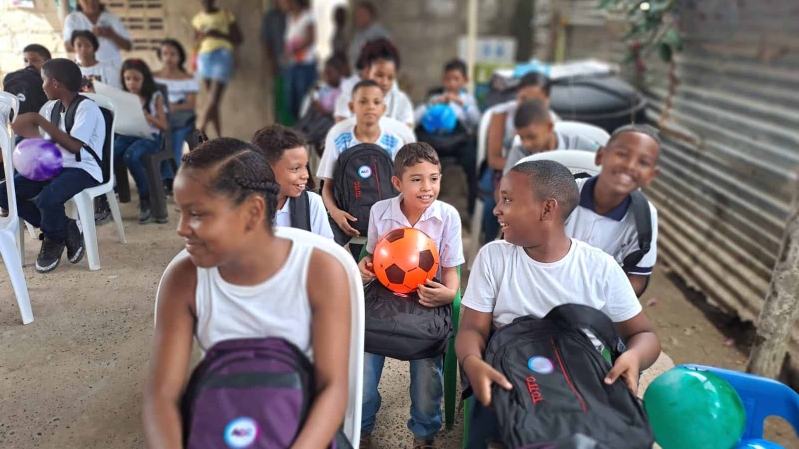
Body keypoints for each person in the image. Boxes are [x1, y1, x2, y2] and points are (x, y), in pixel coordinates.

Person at [142, 137, 351, 449]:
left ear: (253, 212)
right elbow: (161, 396)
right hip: (221, 420)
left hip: (301, 428)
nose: (182, 228)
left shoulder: (320, 272)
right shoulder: (184, 280)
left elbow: (332, 387)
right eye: (180, 212)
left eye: (197, 214)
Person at [455, 160, 661, 448]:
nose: (496, 209)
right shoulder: (494, 258)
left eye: (508, 199)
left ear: (548, 209)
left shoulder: (600, 267)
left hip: (575, 385)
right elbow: (472, 330)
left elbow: (644, 335)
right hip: (508, 377)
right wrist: (472, 362)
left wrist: (634, 357)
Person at [356, 142, 464, 449]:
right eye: (417, 179)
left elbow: (452, 270)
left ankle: (423, 433)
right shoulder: (381, 212)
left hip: (427, 298)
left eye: (434, 178)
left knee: (428, 372)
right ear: (398, 183)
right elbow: (374, 256)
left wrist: (449, 293)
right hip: (384, 294)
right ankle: (362, 426)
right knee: (362, 361)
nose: (427, 187)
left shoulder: (448, 216)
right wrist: (365, 268)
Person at [2, 59, 105, 273]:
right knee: (5, 193)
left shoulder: (87, 108)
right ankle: (64, 227)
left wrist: (39, 121)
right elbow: (50, 144)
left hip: (84, 168)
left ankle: (53, 239)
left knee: (48, 198)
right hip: (54, 164)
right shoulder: (52, 108)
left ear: (56, 83)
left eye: (43, 80)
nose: (42, 86)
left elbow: (75, 147)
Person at [564, 124, 661, 297]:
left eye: (643, 162)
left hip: (593, 300)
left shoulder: (644, 216)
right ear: (601, 155)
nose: (630, 166)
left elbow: (637, 276)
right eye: (622, 154)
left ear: (651, 176)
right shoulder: (562, 194)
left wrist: (610, 306)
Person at [317, 80, 405, 239]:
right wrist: (336, 213)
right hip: (345, 218)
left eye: (376, 102)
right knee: (325, 245)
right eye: (363, 101)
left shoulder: (395, 143)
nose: (370, 106)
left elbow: (403, 186)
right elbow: (327, 187)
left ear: (383, 108)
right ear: (352, 107)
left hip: (388, 222)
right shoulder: (339, 140)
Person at [480, 72, 559, 244]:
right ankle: (488, 242)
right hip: (503, 169)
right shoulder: (502, 114)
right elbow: (493, 159)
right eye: (523, 98)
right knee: (492, 202)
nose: (528, 104)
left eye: (535, 100)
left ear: (547, 99)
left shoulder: (554, 123)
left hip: (538, 178)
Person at [251, 125, 334, 239]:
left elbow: (327, 250)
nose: (305, 175)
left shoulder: (311, 203)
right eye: (295, 168)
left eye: (305, 166)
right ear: (265, 168)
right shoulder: (244, 207)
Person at [115, 59, 168, 224]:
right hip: (128, 134)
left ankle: (146, 199)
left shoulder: (154, 96)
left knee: (131, 156)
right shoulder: (123, 96)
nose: (132, 83)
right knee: (110, 153)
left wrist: (148, 116)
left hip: (150, 136)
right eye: (128, 79)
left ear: (144, 79)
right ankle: (105, 197)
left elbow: (164, 125)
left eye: (136, 79)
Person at [502, 99, 601, 174]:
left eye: (532, 137)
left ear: (549, 126)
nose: (526, 143)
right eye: (521, 137)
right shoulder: (520, 153)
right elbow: (504, 189)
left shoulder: (579, 145)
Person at [154, 39, 200, 195]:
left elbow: (191, 105)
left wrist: (174, 107)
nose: (168, 57)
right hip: (159, 115)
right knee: (156, 139)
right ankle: (160, 176)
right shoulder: (154, 77)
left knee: (173, 138)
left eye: (172, 54)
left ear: (179, 57)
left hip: (181, 118)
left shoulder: (187, 79)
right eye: (165, 54)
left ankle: (171, 178)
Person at [334, 38, 414, 128]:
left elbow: (407, 133)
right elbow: (341, 130)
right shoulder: (348, 92)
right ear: (366, 70)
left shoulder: (399, 98)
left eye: (390, 77)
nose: (385, 82)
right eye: (379, 75)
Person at [192, 0, 242, 137]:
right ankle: (218, 136)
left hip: (222, 55)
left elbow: (238, 38)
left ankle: (200, 126)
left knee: (213, 98)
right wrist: (201, 37)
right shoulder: (197, 19)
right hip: (204, 57)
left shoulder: (225, 15)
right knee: (213, 102)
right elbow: (195, 42)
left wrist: (218, 34)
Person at [414, 59, 480, 131]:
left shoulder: (468, 99)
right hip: (435, 138)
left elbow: (476, 121)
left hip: (460, 139)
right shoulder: (435, 97)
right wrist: (433, 103)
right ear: (443, 79)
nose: (451, 83)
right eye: (448, 79)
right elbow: (414, 118)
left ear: (465, 80)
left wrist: (462, 103)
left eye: (456, 79)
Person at [63, 0, 132, 68]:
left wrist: (111, 34)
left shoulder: (111, 18)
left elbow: (128, 46)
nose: (90, 1)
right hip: (86, 69)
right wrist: (87, 37)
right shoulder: (72, 19)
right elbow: (68, 47)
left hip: (113, 66)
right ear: (78, 1)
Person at [280, 0, 318, 123]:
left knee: (303, 101)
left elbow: (311, 39)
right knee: (291, 102)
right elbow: (289, 40)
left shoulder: (308, 17)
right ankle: (300, 127)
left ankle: (305, 129)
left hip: (305, 65)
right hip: (293, 64)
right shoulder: (290, 18)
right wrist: (287, 53)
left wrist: (295, 50)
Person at [260, 0, 290, 125]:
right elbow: (266, 42)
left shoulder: (295, 15)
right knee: (280, 97)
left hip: (297, 66)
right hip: (279, 65)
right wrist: (271, 62)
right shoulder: (271, 17)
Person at [347, 1, 389, 75]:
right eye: (357, 15)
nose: (359, 17)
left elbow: (388, 51)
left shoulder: (377, 31)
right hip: (356, 75)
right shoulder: (358, 33)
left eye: (362, 14)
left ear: (371, 15)